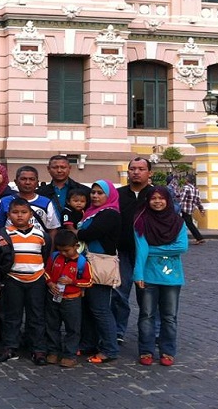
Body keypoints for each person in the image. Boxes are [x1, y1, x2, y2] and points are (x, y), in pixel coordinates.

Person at [0, 198, 49, 365]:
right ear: (9, 215)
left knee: (36, 315)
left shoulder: (40, 234)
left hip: (36, 280)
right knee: (11, 316)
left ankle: (38, 349)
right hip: (13, 280)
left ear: (30, 214)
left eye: (24, 212)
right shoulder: (3, 234)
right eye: (15, 212)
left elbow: (45, 254)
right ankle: (10, 347)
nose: (19, 216)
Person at [133, 187, 188, 366]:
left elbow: (182, 247)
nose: (157, 201)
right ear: (148, 201)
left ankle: (167, 351)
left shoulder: (178, 222)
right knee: (146, 314)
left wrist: (153, 250)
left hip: (172, 277)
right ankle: (146, 351)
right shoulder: (141, 222)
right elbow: (141, 250)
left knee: (169, 316)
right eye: (153, 198)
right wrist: (138, 274)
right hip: (148, 275)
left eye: (161, 198)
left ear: (168, 200)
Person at [74, 179, 121, 364]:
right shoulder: (93, 212)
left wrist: (76, 233)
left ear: (109, 195)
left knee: (100, 308)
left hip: (99, 265)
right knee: (88, 307)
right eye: (93, 192)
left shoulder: (109, 213)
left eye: (100, 193)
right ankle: (88, 343)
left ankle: (110, 348)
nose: (95, 196)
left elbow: (89, 234)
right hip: (87, 263)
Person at [114, 157, 153, 344]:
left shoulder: (156, 195)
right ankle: (117, 331)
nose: (136, 172)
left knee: (147, 295)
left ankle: (150, 333)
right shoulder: (118, 194)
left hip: (148, 255)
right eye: (132, 169)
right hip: (122, 251)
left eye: (141, 169)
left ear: (149, 173)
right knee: (120, 293)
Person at [44, 230, 93, 368]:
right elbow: (46, 272)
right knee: (52, 325)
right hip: (54, 296)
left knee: (73, 328)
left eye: (66, 250)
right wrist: (50, 283)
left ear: (76, 246)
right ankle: (53, 351)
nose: (63, 254)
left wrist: (73, 282)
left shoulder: (83, 263)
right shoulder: (54, 257)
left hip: (72, 299)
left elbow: (89, 282)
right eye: (61, 251)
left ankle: (69, 354)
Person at [0, 166, 60, 244]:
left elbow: (52, 230)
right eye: (23, 179)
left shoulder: (46, 202)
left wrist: (49, 253)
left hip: (38, 251)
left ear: (37, 183)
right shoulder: (4, 202)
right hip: (11, 251)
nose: (27, 182)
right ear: (16, 182)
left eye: (32, 179)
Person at [178, 174, 206, 245]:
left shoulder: (186, 188)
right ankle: (199, 238)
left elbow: (181, 199)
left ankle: (199, 237)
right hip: (190, 209)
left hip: (184, 209)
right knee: (186, 223)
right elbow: (198, 200)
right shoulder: (195, 189)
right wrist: (201, 209)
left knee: (188, 223)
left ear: (187, 180)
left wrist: (177, 207)